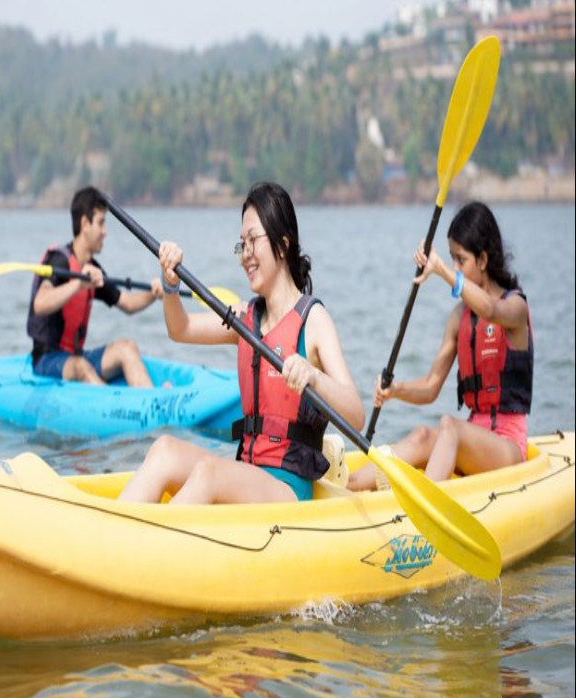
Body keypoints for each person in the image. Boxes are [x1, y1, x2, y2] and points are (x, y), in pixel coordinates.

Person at [119, 182, 365, 504]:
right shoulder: (245, 319)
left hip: (287, 489)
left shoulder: (313, 320)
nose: (245, 255)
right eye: (241, 244)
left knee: (209, 472)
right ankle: (111, 540)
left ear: (282, 243)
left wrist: (314, 376)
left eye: (253, 241)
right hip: (247, 473)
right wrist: (169, 283)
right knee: (165, 449)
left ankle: (151, 546)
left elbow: (356, 415)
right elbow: (181, 328)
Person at [349, 201, 533, 491]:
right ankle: (350, 486)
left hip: (509, 446)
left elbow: (491, 310)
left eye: (461, 260)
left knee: (449, 425)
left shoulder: (515, 307)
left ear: (483, 260)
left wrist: (444, 272)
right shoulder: (459, 317)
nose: (455, 266)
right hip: (472, 437)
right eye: (452, 259)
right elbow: (431, 385)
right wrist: (396, 391)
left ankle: (423, 515)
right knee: (423, 434)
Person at [27, 186, 163, 386]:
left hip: (76, 356)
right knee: (81, 366)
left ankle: (152, 404)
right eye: (101, 223)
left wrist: (154, 293)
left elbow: (127, 303)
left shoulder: (93, 269)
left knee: (127, 348)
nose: (105, 232)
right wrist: (78, 285)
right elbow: (40, 303)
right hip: (47, 360)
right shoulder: (59, 262)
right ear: (84, 224)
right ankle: (115, 409)